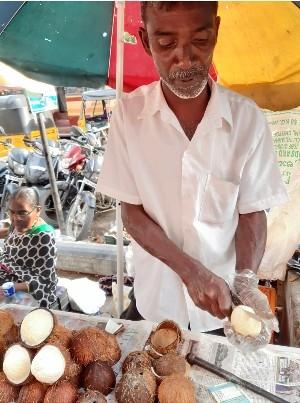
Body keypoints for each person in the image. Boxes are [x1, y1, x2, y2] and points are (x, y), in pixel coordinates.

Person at [97, 1, 288, 333]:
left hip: (222, 306)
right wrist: (190, 271)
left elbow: (252, 212)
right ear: (145, 41)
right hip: (155, 304)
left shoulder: (247, 120)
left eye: (199, 41)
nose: (184, 58)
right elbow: (132, 213)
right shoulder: (128, 116)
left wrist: (244, 280)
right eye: (166, 42)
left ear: (215, 32)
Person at [0, 187, 58, 308]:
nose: (16, 219)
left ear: (37, 211)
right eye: (12, 212)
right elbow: (9, 232)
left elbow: (44, 282)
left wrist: (11, 288)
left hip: (28, 289)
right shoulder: (17, 224)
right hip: (6, 272)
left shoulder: (44, 237)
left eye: (22, 212)